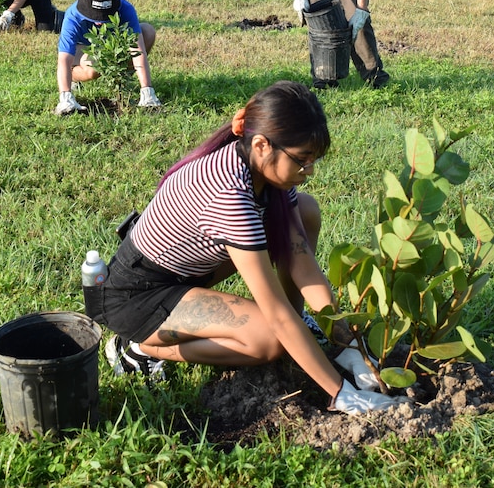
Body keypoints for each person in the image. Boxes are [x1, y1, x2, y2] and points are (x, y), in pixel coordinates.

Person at [94, 81, 405, 415]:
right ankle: (141, 347)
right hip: (138, 296)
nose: (308, 171)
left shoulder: (264, 173)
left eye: (314, 161)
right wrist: (339, 392)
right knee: (269, 339)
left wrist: (348, 344)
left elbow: (300, 261)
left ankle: (303, 327)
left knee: (306, 209)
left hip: (183, 274)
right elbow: (275, 312)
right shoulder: (230, 195)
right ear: (261, 145)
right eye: (302, 160)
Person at [54, 0, 161, 115]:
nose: (99, 21)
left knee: (148, 31)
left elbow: (137, 51)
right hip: (83, 47)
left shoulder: (126, 9)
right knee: (94, 67)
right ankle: (74, 78)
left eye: (104, 16)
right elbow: (64, 59)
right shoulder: (73, 15)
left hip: (112, 45)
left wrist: (147, 91)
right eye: (95, 16)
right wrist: (65, 97)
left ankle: (122, 78)